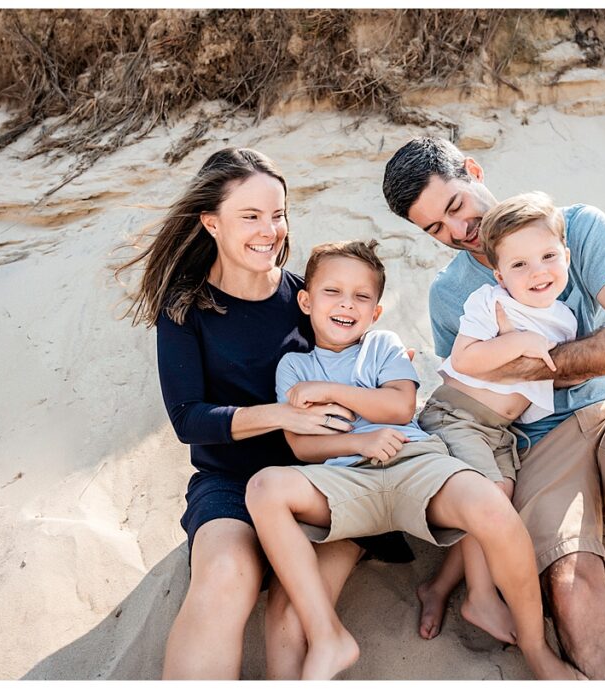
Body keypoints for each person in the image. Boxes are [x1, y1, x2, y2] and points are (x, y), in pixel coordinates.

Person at [382, 137, 605, 679]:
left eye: (455, 206)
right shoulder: (449, 296)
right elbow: (472, 396)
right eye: (435, 229)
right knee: (569, 587)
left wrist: (542, 362)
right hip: (537, 443)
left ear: (473, 171)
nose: (457, 232)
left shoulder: (576, 229)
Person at [115, 147, 407, 680]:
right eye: (250, 215)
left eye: (277, 214)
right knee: (225, 576)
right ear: (212, 223)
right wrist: (280, 416)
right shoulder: (184, 310)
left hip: (329, 478)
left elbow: (371, 360)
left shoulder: (310, 296)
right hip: (230, 480)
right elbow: (189, 419)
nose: (268, 230)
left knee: (293, 611)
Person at [244, 240, 581, 680]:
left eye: (362, 297)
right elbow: (304, 446)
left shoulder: (382, 345)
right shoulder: (293, 366)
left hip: (413, 460)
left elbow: (400, 407)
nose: (347, 305)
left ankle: (536, 649)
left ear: (376, 312)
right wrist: (359, 444)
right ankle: (328, 635)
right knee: (264, 487)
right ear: (306, 301)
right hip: (346, 483)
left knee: (493, 507)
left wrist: (331, 394)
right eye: (332, 293)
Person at [415, 191, 577, 643]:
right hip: (456, 416)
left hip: (499, 431)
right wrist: (518, 342)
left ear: (565, 256)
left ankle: (440, 586)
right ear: (498, 272)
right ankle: (480, 597)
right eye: (519, 265)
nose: (537, 272)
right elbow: (465, 360)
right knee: (489, 496)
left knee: (498, 499)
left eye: (547, 257)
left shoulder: (564, 319)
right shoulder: (490, 303)